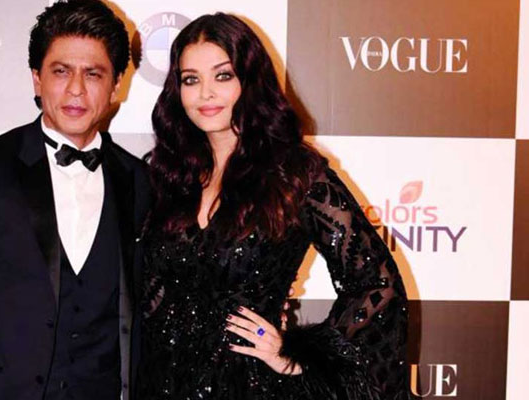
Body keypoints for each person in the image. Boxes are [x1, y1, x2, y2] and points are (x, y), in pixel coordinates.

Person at [138, 13, 410, 400]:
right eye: (191, 79)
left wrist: (297, 357)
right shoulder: (167, 176)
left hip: (250, 385)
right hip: (162, 382)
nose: (205, 94)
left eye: (223, 75)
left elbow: (377, 283)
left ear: (250, 81)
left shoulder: (293, 173)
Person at [0, 1, 149, 399]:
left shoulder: (140, 181)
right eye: (61, 71)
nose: (76, 89)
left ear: (117, 84)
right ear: (37, 79)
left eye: (93, 73)